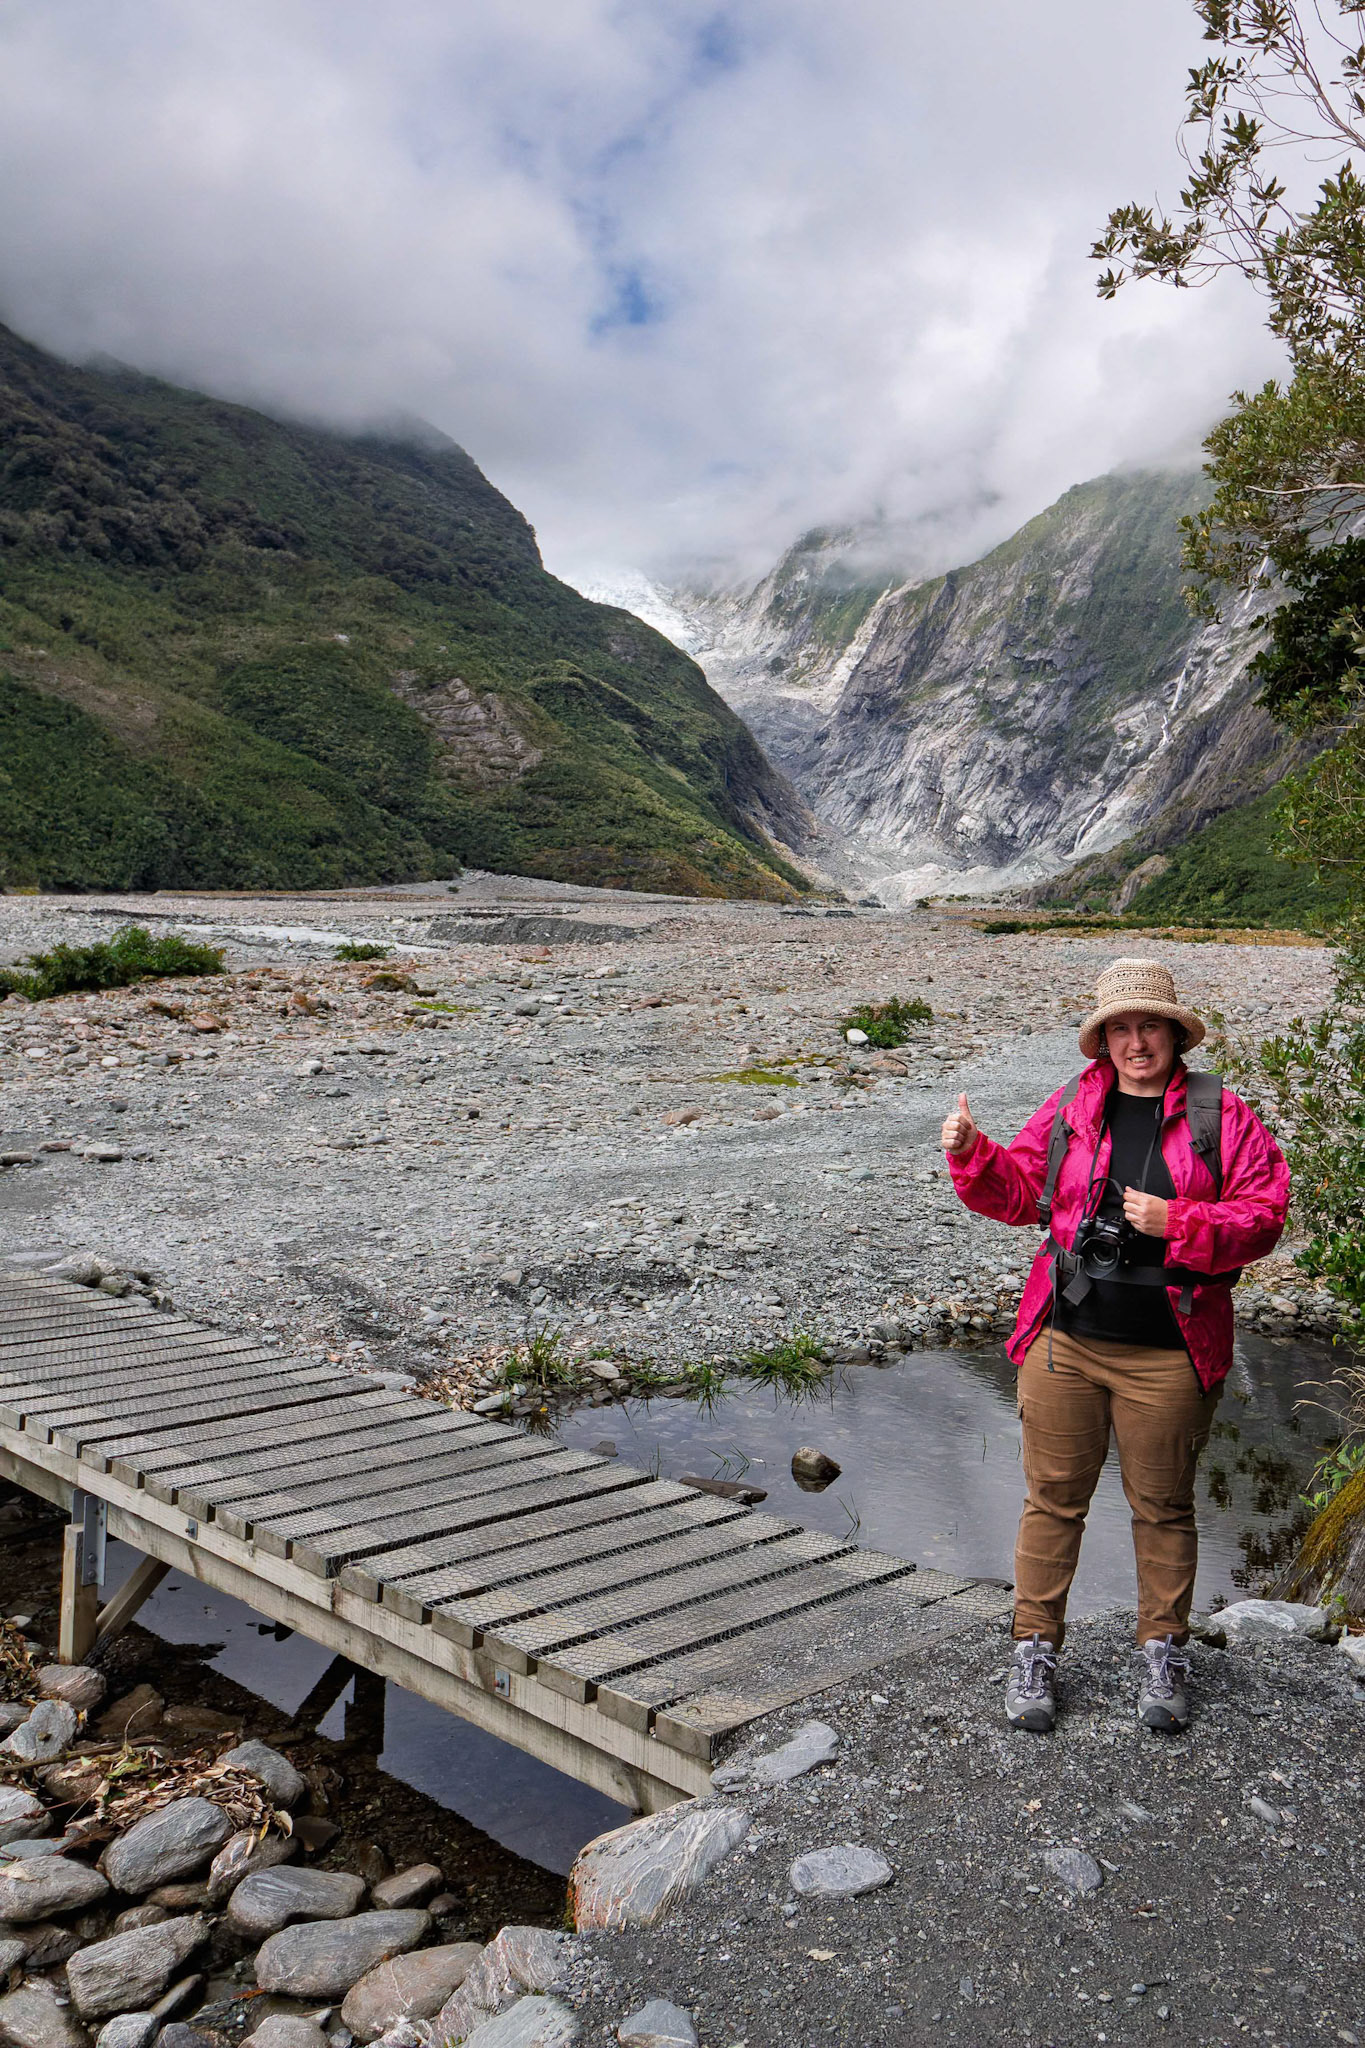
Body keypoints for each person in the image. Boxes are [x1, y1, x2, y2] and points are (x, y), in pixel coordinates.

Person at [940, 957, 1290, 1734]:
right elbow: (1017, 1192)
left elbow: (1265, 1215)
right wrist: (970, 1152)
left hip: (1169, 1351)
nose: (1136, 1042)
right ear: (1102, 1039)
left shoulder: (1218, 1114)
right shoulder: (1071, 1104)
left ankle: (1161, 1650)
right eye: (1120, 1029)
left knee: (1161, 1508)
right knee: (1051, 1503)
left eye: (1149, 1027)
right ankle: (1033, 1649)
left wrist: (1182, 1225)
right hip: (1065, 1341)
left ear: (1173, 1032)